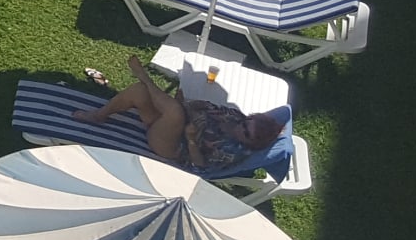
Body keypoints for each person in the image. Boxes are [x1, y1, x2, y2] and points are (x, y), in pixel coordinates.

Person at [74, 55, 284, 173]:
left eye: (246, 132)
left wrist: (191, 140)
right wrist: (189, 105)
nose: (242, 126)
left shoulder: (233, 151)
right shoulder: (235, 116)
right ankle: (99, 115)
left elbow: (200, 167)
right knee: (141, 92)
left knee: (173, 111)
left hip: (173, 148)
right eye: (247, 121)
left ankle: (145, 77)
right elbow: (204, 105)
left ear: (251, 142)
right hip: (167, 123)